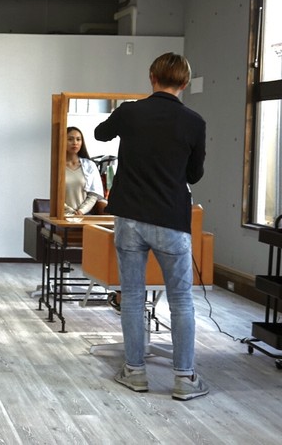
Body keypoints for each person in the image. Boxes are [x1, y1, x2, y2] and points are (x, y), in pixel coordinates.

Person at [94, 52, 208, 400]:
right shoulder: (194, 121)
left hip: (130, 218)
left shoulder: (130, 112)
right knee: (181, 300)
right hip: (171, 218)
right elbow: (194, 175)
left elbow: (100, 133)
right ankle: (184, 379)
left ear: (151, 77)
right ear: (184, 83)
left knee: (131, 296)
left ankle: (135, 372)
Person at [64, 126, 104, 216]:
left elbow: (93, 194)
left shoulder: (89, 165)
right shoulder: (56, 166)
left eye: (78, 139)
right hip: (62, 215)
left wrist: (81, 211)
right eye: (70, 139)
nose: (75, 143)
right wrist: (69, 211)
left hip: (83, 215)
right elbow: (53, 195)